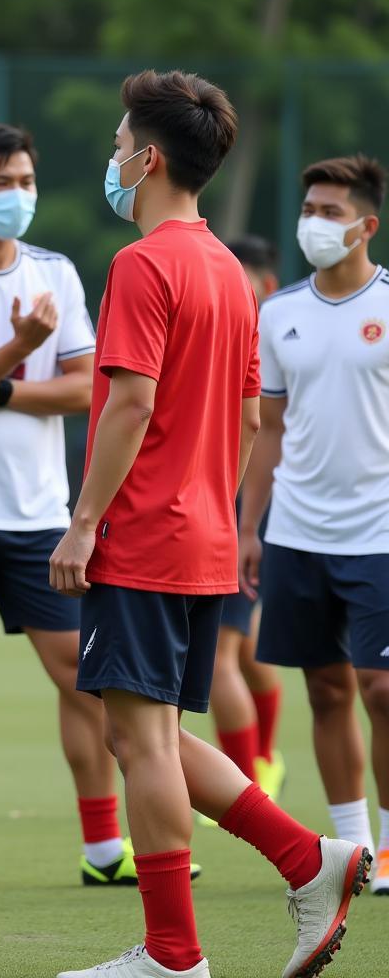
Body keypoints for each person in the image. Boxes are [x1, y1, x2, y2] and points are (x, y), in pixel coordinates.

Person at [50, 70, 369, 978]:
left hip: (143, 536)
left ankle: (174, 955)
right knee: (151, 731)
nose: (113, 160)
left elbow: (127, 407)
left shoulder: (142, 264)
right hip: (203, 537)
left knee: (137, 740)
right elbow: (249, 420)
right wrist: (210, 511)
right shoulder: (232, 271)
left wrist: (84, 522)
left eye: (118, 147)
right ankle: (312, 860)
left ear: (148, 159)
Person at [0, 122, 164, 891]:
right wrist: (18, 350)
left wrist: (1, 384)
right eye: (3, 182)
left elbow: (86, 389)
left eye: (26, 180)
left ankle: (104, 847)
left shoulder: (57, 273)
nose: (19, 195)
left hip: (41, 514)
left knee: (82, 674)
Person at [240, 154, 389, 898]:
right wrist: (248, 526)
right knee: (327, 690)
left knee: (382, 688)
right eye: (309, 209)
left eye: (331, 213)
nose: (314, 224)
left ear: (368, 225)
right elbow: (268, 428)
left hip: (380, 532)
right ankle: (354, 847)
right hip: (298, 531)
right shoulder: (280, 312)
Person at [202, 236, 284, 811]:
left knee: (220, 656)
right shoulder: (221, 326)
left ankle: (246, 782)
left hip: (243, 501)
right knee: (246, 646)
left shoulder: (274, 335)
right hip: (239, 500)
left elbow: (258, 426)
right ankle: (266, 759)